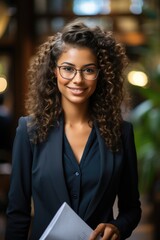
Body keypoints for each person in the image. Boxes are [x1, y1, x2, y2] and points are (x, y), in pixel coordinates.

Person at [5, 19, 141, 240]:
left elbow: (131, 209)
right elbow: (17, 213)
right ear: (54, 71)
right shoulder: (28, 130)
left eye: (88, 70)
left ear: (101, 74)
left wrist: (117, 227)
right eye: (68, 69)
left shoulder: (121, 133)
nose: (77, 79)